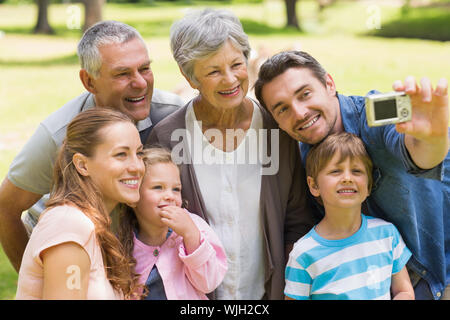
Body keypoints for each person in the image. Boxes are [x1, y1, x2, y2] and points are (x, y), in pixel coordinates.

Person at [147, 9, 317, 299]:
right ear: (190, 78)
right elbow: (152, 229)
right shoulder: (167, 139)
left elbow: (297, 221)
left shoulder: (277, 131)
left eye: (236, 64)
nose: (230, 80)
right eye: (213, 71)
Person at [254, 50, 449, 299]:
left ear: (329, 84)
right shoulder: (301, 158)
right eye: (282, 109)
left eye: (304, 94)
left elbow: (421, 153)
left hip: (436, 269)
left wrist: (431, 137)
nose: (300, 113)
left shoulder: (376, 111)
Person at [0, 20, 184, 272]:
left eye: (144, 68)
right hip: (67, 256)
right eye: (123, 73)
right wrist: (36, 281)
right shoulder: (58, 135)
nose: (140, 83)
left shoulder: (173, 118)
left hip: (130, 262)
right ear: (89, 82)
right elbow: (6, 206)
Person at [16, 108, 145, 299]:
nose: (137, 167)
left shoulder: (90, 221)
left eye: (139, 153)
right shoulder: (68, 225)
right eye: (121, 155)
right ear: (82, 165)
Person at [285, 132, 414, 300]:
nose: (347, 178)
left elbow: (404, 291)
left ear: (368, 186)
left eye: (356, 171)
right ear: (314, 185)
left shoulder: (387, 234)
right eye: (336, 171)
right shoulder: (303, 254)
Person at [118, 147, 227, 300]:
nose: (170, 196)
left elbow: (209, 283)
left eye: (176, 189)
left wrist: (191, 235)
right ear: (133, 197)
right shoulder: (121, 240)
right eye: (158, 187)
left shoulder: (194, 226)